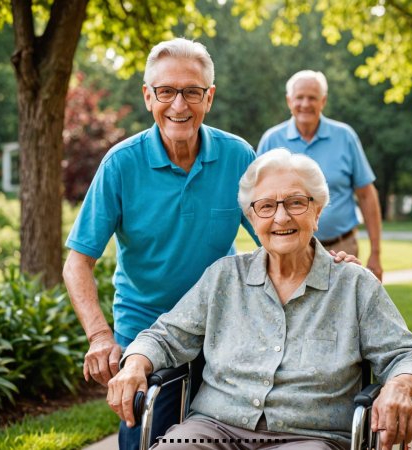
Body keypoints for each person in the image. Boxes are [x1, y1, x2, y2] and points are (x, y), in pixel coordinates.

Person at [63, 41, 357, 450]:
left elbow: (277, 230)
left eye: (192, 91)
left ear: (209, 97)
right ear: (148, 96)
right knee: (143, 436)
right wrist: (99, 336)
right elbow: (77, 262)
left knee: (215, 430)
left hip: (225, 326)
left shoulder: (238, 156)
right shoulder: (120, 164)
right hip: (148, 325)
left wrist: (327, 261)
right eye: (166, 91)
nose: (178, 104)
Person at [107, 149, 412, 450]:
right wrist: (134, 365)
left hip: (308, 437)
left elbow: (406, 355)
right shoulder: (223, 278)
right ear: (251, 218)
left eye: (295, 203)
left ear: (317, 212)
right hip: (213, 428)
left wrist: (399, 388)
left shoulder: (354, 285)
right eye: (266, 206)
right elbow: (164, 337)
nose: (281, 217)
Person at [257, 71, 383, 281]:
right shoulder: (271, 140)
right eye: (299, 97)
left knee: (346, 312)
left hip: (343, 250)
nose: (305, 104)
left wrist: (376, 254)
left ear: (323, 101)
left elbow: (367, 195)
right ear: (289, 101)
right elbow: (258, 200)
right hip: (289, 250)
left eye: (312, 98)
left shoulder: (345, 137)